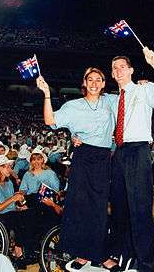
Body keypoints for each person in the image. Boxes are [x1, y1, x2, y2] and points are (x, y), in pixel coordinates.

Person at [36, 67, 119, 271]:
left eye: (98, 80)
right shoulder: (73, 106)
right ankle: (82, 254)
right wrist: (47, 94)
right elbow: (50, 120)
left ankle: (100, 254)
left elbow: (130, 98)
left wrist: (139, 83)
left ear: (103, 83)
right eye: (90, 79)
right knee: (79, 206)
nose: (93, 83)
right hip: (82, 157)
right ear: (84, 83)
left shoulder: (111, 101)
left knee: (98, 207)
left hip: (102, 157)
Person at [109, 46, 154, 272]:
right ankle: (126, 258)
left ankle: (146, 264)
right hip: (118, 153)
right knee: (120, 209)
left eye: (122, 67)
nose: (118, 71)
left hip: (138, 151)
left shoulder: (143, 89)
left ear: (131, 70)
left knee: (139, 210)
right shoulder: (114, 99)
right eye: (114, 68)